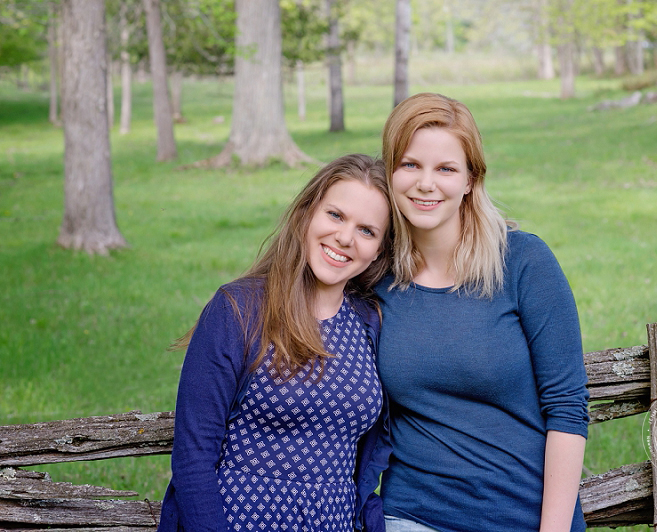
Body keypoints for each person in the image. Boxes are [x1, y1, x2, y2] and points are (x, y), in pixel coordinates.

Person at [375, 93, 590, 532]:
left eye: (446, 169)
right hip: (413, 516)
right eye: (410, 165)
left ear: (471, 179)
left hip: (524, 516)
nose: (425, 184)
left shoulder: (523, 262)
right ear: (390, 172)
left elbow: (567, 408)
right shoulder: (373, 277)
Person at [157, 154, 393, 532]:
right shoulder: (240, 309)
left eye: (367, 230)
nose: (345, 237)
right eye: (335, 215)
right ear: (306, 214)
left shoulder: (371, 323)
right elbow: (193, 458)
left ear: (379, 250)